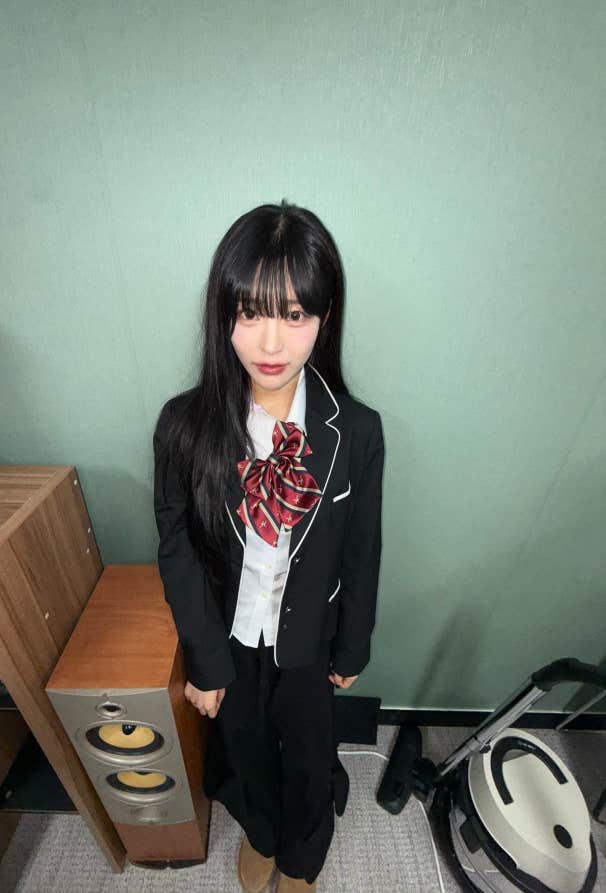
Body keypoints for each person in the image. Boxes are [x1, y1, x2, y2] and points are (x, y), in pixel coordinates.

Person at [153, 200, 385, 892]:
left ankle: (303, 860)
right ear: (223, 314)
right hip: (230, 637)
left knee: (310, 757)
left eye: (295, 314)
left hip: (310, 637)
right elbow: (177, 548)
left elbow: (363, 547)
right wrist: (204, 659)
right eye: (251, 312)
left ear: (325, 317)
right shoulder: (182, 426)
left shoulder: (357, 431)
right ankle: (260, 831)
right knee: (245, 747)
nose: (272, 342)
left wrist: (352, 647)